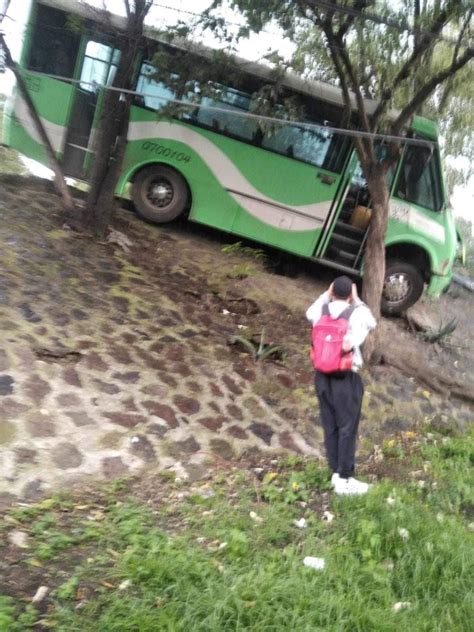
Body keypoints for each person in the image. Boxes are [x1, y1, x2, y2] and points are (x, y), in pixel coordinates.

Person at [306, 275, 376, 495]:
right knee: (347, 426)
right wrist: (357, 300)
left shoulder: (320, 311)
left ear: (331, 291)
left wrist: (325, 295)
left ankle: (336, 471)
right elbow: (372, 322)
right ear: (350, 295)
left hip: (321, 377)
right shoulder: (356, 313)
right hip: (345, 377)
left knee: (330, 425)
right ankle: (344, 477)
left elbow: (309, 312)